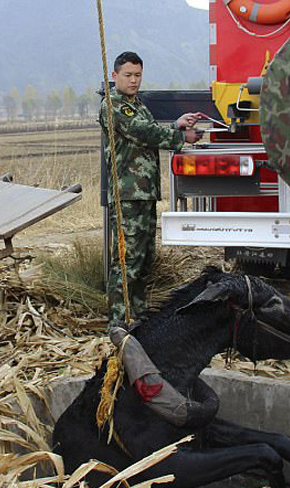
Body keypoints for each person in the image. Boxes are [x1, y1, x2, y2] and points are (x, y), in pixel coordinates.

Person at [100, 51, 201, 327]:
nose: (133, 81)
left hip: (144, 193)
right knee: (127, 259)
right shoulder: (113, 105)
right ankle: (119, 321)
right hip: (127, 195)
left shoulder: (137, 104)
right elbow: (141, 132)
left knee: (143, 259)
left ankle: (138, 316)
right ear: (114, 76)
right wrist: (181, 137)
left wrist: (176, 124)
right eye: (128, 75)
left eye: (138, 75)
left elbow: (148, 127)